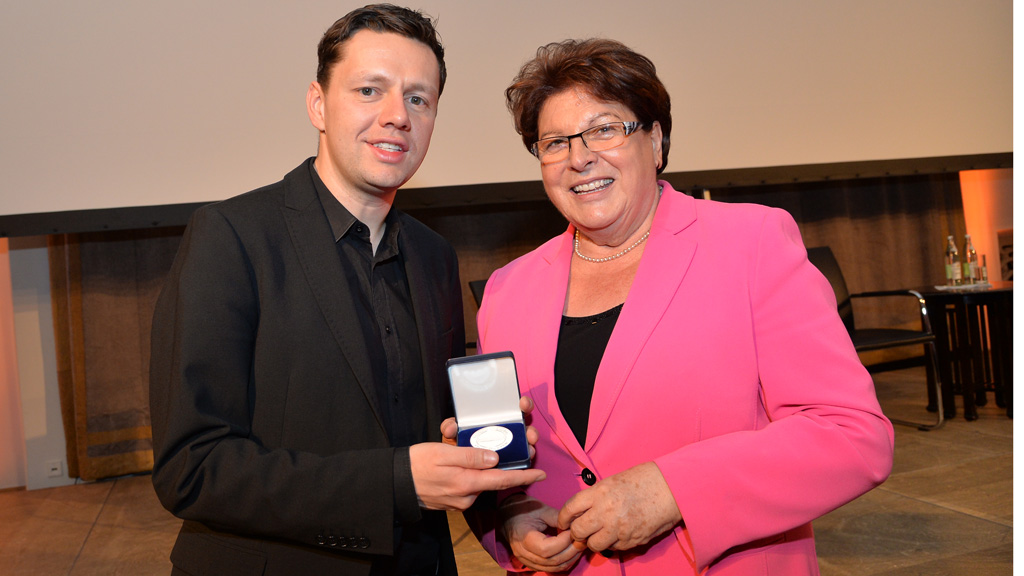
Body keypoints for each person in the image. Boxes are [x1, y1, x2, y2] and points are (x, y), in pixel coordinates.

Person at [457, 38, 895, 575]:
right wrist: (510, 519)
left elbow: (851, 434)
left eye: (605, 129)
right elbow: (508, 460)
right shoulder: (507, 289)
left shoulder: (751, 243)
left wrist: (674, 489)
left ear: (656, 140)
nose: (579, 157)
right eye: (554, 142)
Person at [148, 5, 545, 575]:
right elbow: (192, 468)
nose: (397, 116)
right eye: (369, 90)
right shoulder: (230, 238)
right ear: (318, 104)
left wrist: (503, 502)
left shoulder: (434, 257)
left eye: (418, 99)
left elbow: (434, 446)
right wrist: (394, 483)